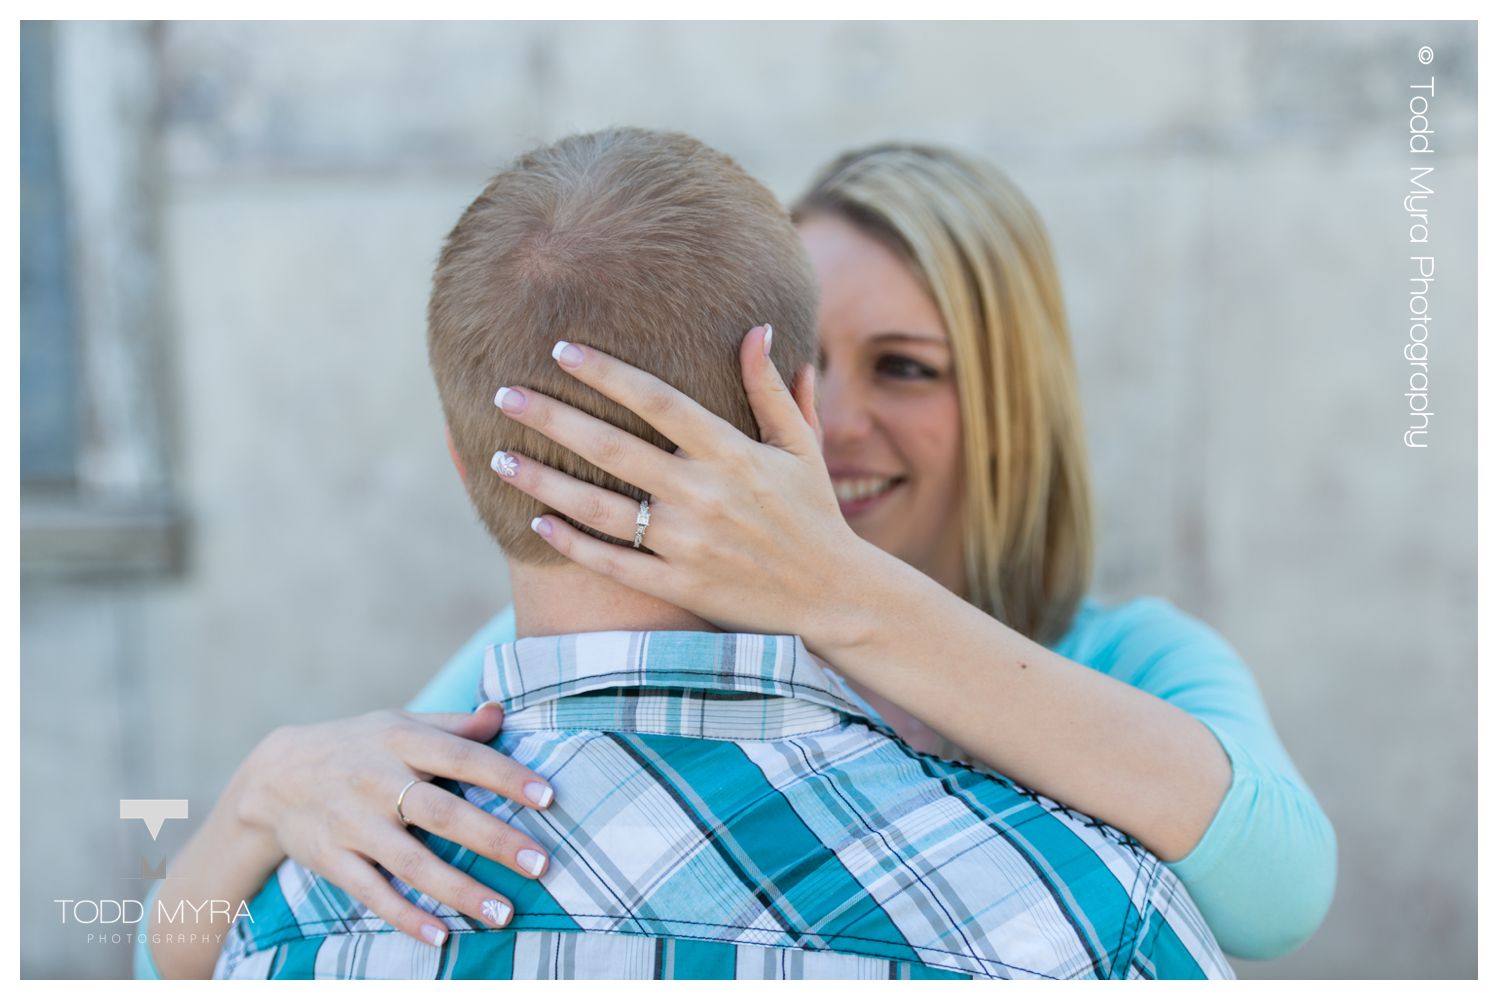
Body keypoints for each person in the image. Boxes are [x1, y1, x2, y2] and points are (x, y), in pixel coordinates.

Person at [139, 138, 1330, 979]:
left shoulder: (1129, 655)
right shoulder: (530, 657)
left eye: (906, 368)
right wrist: (269, 788)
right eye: (804, 366)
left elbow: (1279, 893)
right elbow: (170, 954)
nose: (834, 426)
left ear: (1012, 405)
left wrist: (840, 592)